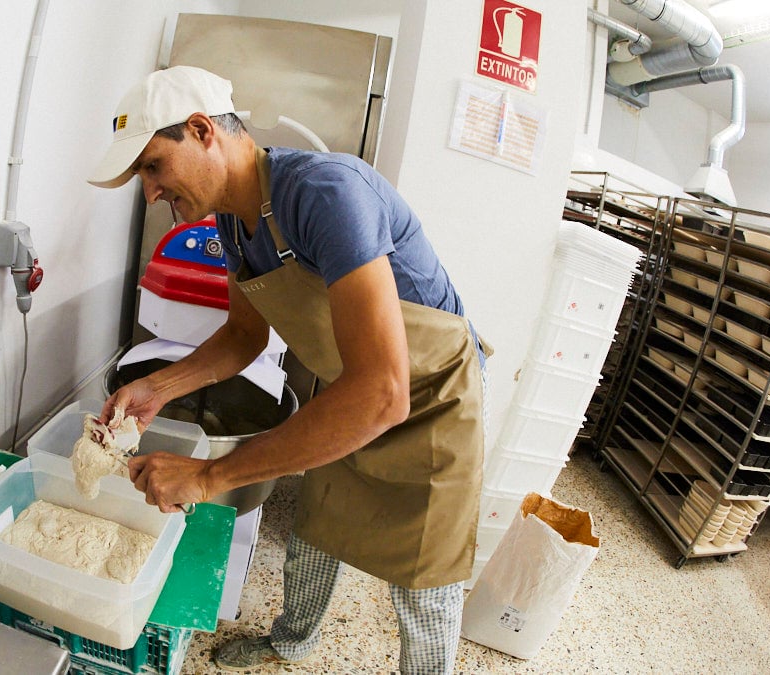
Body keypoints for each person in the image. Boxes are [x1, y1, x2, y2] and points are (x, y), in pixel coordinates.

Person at [88, 65, 490, 674]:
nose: (149, 192)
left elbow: (385, 393)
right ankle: (291, 643)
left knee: (424, 587)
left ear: (201, 130)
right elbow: (243, 337)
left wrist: (208, 476)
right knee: (315, 537)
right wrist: (156, 388)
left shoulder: (326, 194)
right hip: (353, 392)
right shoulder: (234, 221)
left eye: (152, 167)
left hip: (432, 399)